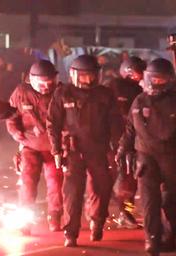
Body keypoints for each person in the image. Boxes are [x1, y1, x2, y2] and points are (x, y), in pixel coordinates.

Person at [46, 54, 123, 247]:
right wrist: (56, 150)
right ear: (74, 75)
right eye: (84, 76)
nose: (88, 80)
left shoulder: (105, 94)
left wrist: (117, 148)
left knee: (101, 189)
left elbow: (115, 122)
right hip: (72, 151)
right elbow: (52, 123)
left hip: (99, 149)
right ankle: (71, 233)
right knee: (72, 193)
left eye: (91, 76)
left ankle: (97, 222)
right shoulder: (63, 93)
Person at [115, 58, 176, 256]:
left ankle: (171, 237)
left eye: (161, 80)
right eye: (154, 79)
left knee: (171, 199)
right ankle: (152, 240)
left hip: (171, 156)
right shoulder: (140, 100)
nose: (156, 83)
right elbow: (130, 129)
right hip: (146, 156)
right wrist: (123, 148)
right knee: (149, 201)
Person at [6, 59, 63, 234]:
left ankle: (55, 217)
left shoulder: (61, 92)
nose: (46, 87)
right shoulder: (21, 93)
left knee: (55, 183)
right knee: (28, 182)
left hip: (54, 148)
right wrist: (16, 133)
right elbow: (11, 117)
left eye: (49, 83)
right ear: (32, 79)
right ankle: (25, 221)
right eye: (42, 83)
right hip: (29, 146)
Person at [107, 56, 146, 228]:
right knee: (110, 177)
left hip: (134, 140)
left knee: (130, 178)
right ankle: (104, 211)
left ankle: (126, 212)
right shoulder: (113, 87)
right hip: (113, 140)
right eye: (137, 73)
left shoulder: (143, 90)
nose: (140, 76)